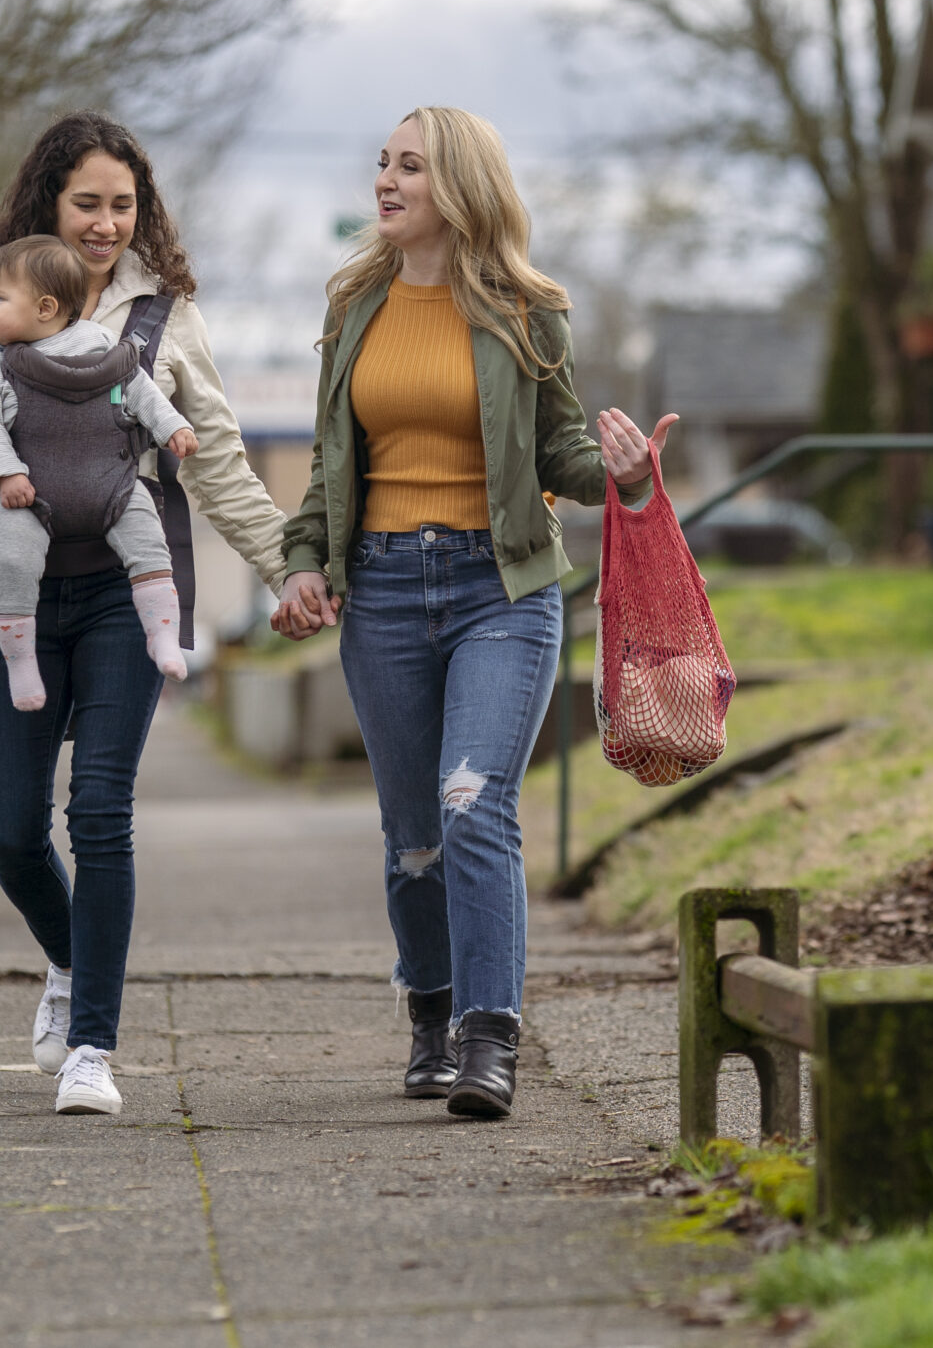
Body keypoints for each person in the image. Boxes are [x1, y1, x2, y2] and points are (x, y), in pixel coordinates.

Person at [273, 106, 673, 1120]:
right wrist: (304, 563)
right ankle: (431, 1014)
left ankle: (489, 1036)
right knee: (412, 832)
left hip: (501, 590)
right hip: (385, 591)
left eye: (409, 166)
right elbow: (330, 462)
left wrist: (624, 475)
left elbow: (560, 449)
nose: (386, 182)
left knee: (470, 802)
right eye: (382, 164)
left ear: (459, 186)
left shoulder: (525, 309)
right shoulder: (353, 304)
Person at [0, 113, 287, 1116]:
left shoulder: (164, 321)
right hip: (16, 595)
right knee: (12, 831)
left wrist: (290, 571)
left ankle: (92, 1048)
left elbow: (224, 467)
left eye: (123, 205)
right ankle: (73, 963)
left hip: (126, 591)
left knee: (100, 810)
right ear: (48, 205)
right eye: (88, 204)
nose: (107, 224)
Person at [0, 234, 199, 695]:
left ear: (46, 307)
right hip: (30, 497)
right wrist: (6, 472)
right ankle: (21, 665)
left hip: (111, 488)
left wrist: (172, 428)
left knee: (150, 545)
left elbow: (141, 391)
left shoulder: (105, 346)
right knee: (12, 564)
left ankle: (162, 636)